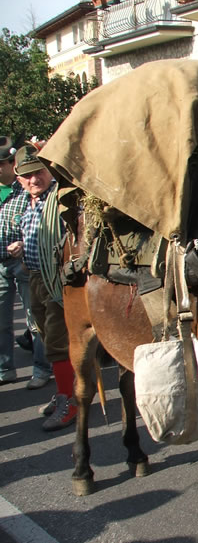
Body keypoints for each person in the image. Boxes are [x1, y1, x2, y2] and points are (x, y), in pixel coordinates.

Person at [9, 144, 77, 431]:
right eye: (27, 175)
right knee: (46, 337)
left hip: (58, 281)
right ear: (18, 177)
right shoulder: (26, 202)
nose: (33, 180)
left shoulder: (60, 199)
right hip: (35, 276)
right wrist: (23, 249)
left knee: (58, 342)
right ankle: (65, 391)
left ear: (48, 170)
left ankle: (70, 400)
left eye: (38, 173)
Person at [0, 137, 51, 388]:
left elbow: (34, 227)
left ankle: (42, 369)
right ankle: (4, 368)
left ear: (11, 165)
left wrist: (21, 243)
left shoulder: (34, 192)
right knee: (3, 321)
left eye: (2, 163)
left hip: (28, 266)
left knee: (37, 321)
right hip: (8, 266)